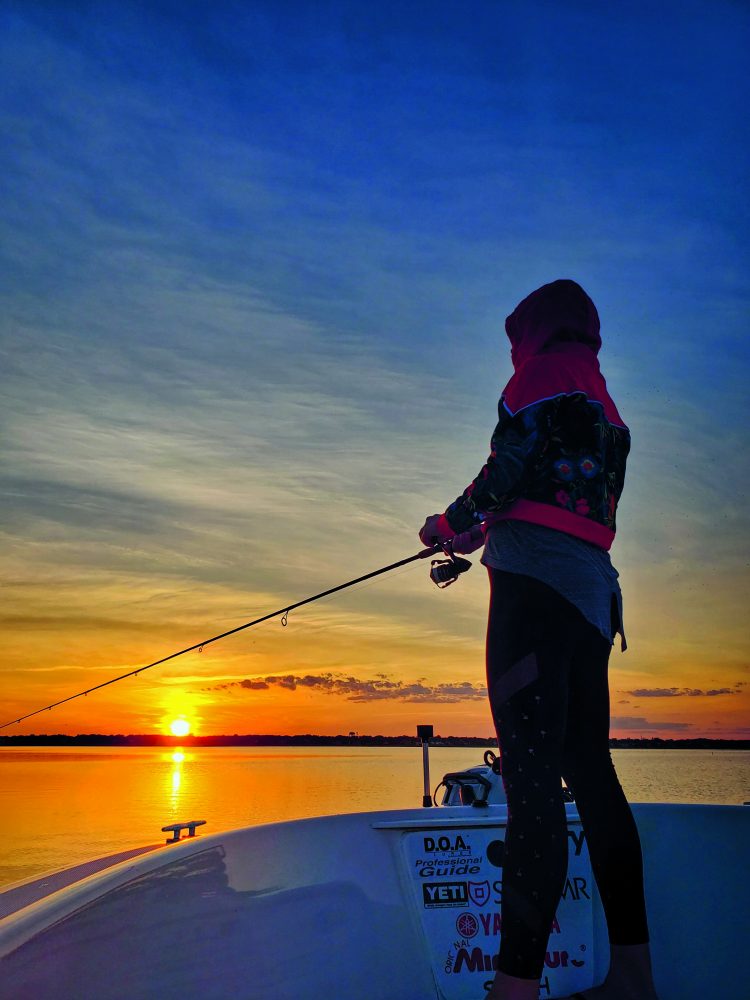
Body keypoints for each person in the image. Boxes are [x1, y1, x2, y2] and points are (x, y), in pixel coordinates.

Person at [418, 280, 659, 1000]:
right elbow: (563, 498)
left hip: (534, 592)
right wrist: (484, 529)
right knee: (592, 773)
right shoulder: (604, 403)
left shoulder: (540, 376)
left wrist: (445, 524)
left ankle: (514, 988)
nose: (513, 349)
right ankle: (635, 980)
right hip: (591, 595)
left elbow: (506, 471)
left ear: (536, 329)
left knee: (531, 786)